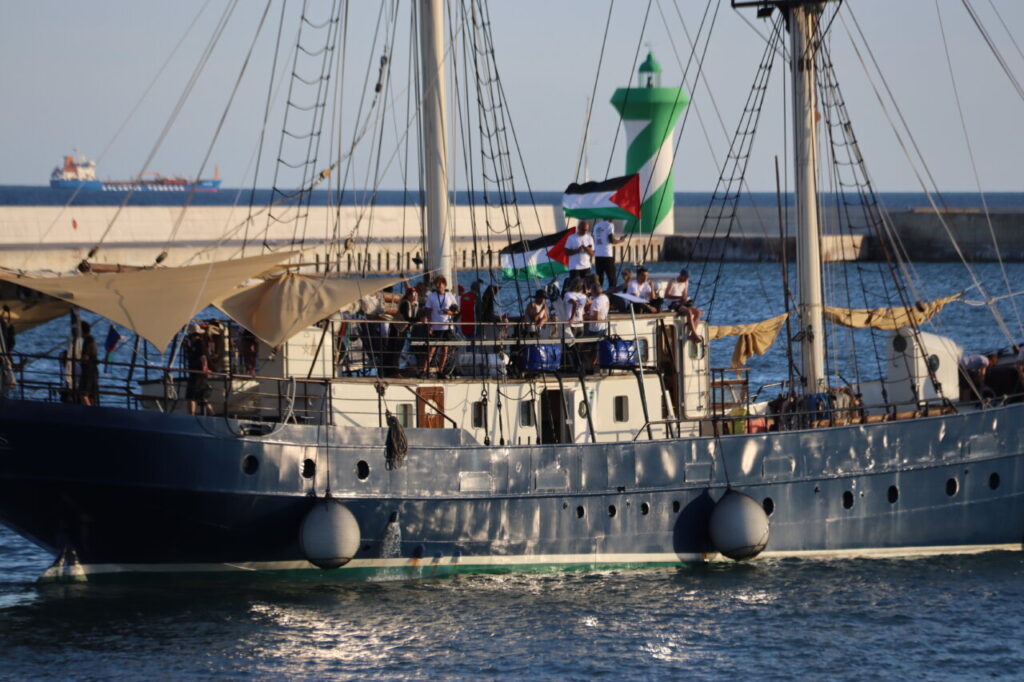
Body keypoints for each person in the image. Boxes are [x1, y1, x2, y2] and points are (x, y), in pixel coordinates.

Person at [422, 276, 459, 377]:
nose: (439, 287)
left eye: (440, 285)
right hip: (435, 326)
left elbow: (456, 311)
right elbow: (427, 310)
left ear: (444, 285)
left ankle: (441, 370)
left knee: (445, 349)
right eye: (437, 285)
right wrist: (429, 324)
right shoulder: (432, 296)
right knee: (432, 349)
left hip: (446, 326)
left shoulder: (450, 295)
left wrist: (449, 312)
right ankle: (424, 370)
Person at [385, 287, 420, 376]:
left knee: (399, 348)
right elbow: (407, 318)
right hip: (397, 328)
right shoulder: (405, 304)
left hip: (403, 329)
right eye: (413, 294)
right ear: (408, 295)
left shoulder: (414, 304)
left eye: (416, 294)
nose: (414, 296)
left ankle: (394, 368)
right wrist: (418, 319)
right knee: (395, 348)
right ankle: (392, 369)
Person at [664, 268, 703, 343]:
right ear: (681, 276)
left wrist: (685, 298)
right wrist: (679, 297)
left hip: (681, 302)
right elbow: (666, 295)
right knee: (688, 312)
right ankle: (694, 334)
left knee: (697, 312)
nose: (686, 279)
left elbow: (684, 293)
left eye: (687, 278)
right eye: (685, 277)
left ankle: (691, 334)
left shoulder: (686, 282)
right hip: (673, 303)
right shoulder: (672, 282)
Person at [185, 323, 212, 415]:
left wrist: (204, 369)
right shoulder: (196, 344)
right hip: (199, 374)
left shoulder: (198, 344)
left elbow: (203, 357)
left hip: (196, 374)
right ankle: (212, 414)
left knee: (191, 397)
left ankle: (191, 415)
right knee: (202, 397)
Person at [592, 218, 624, 289]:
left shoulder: (596, 226)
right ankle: (611, 296)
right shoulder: (610, 225)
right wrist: (621, 240)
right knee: (612, 279)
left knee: (599, 279)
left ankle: (598, 294)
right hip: (607, 255)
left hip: (598, 255)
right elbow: (612, 240)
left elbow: (594, 239)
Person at [78, 321, 100, 406]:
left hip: (88, 370)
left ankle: (88, 410)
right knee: (91, 394)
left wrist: (78, 359)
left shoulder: (87, 340)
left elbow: (85, 357)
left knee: (84, 393)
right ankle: (93, 410)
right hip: (92, 370)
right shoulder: (91, 339)